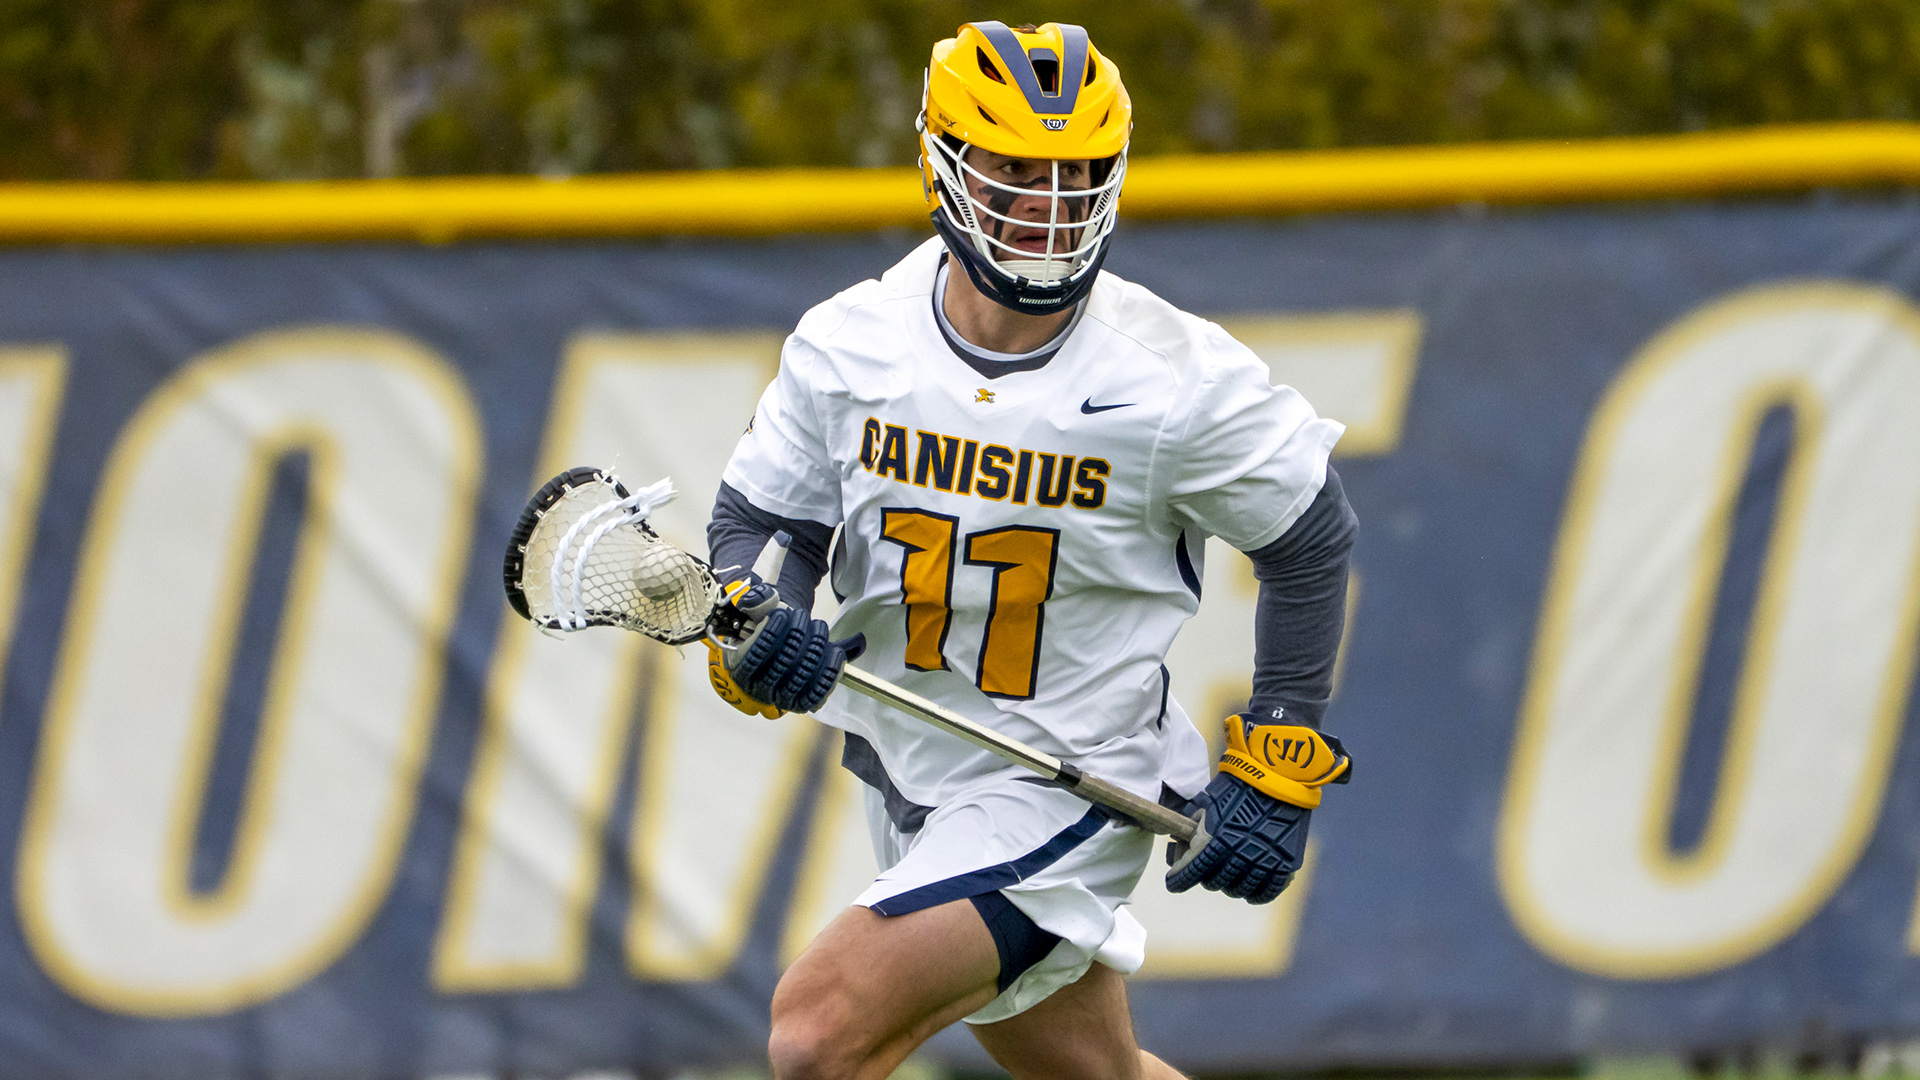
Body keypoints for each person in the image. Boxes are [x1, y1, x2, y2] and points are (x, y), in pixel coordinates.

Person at [703, 20, 1356, 1080]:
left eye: (1077, 173)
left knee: (817, 1033)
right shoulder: (853, 343)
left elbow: (1310, 535)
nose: (1049, 206)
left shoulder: (1172, 377)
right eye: (1014, 169)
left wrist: (1278, 750)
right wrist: (758, 616)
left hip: (1069, 779)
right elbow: (767, 524)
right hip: (911, 771)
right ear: (942, 164)